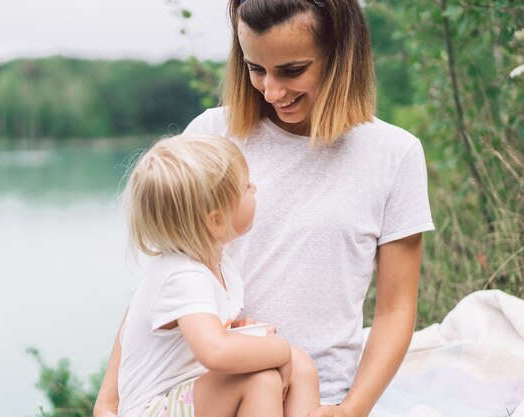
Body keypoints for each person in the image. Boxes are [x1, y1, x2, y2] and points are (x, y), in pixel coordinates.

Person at [96, 0, 434, 416]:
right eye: (256, 68)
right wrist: (108, 401)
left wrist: (351, 410)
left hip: (317, 397)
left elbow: (396, 310)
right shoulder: (210, 136)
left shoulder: (394, 155)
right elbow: (164, 285)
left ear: (341, 54)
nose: (272, 91)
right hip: (207, 396)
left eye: (292, 70)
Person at [106, 133, 320, 417]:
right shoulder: (183, 275)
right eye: (245, 188)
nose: (254, 188)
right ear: (215, 221)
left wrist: (232, 331)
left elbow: (201, 341)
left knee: (300, 362)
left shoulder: (216, 263)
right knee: (259, 378)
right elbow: (215, 353)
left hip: (184, 396)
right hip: (152, 409)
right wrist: (277, 349)